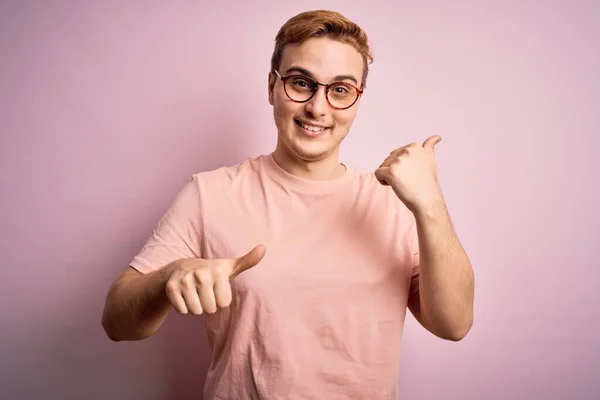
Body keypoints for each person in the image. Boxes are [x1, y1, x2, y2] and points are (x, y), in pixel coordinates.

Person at [101, 9, 475, 399]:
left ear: (358, 100)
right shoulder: (209, 194)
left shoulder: (396, 203)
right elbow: (116, 322)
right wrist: (168, 277)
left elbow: (454, 324)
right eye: (301, 83)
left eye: (340, 90)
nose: (318, 107)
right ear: (271, 87)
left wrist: (430, 203)